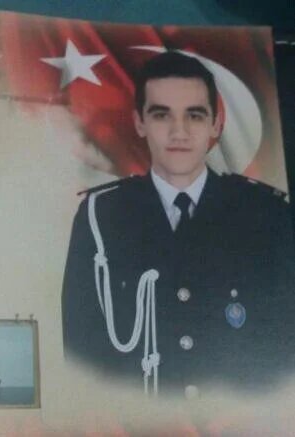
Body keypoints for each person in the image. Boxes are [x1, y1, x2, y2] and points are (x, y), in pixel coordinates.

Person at [62, 51, 295, 397]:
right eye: (162, 115)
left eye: (195, 115)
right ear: (140, 123)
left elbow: (284, 348)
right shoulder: (100, 216)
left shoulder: (267, 215)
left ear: (216, 124)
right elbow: (82, 353)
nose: (179, 132)